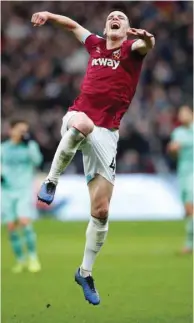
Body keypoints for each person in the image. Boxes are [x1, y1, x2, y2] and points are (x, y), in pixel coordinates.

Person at [31, 10, 155, 305]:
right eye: (111, 16)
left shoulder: (132, 50)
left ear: (126, 29)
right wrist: (48, 14)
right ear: (105, 27)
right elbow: (72, 25)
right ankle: (51, 181)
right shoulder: (95, 44)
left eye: (121, 18)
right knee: (82, 124)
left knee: (101, 211)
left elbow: (145, 47)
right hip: (79, 117)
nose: (115, 18)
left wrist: (148, 40)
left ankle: (85, 272)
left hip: (108, 134)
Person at [1, 120, 43, 273]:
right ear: (11, 130)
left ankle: (33, 257)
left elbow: (37, 160)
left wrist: (30, 144)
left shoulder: (30, 147)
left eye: (25, 131)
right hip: (6, 191)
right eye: (20, 130)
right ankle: (20, 260)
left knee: (25, 222)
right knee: (11, 226)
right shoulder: (4, 149)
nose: (22, 133)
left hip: (24, 189)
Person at [168, 106, 193, 254]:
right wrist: (173, 151)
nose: (182, 115)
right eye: (180, 113)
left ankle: (189, 244)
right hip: (183, 173)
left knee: (191, 207)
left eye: (185, 113)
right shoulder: (177, 132)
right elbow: (174, 157)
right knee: (187, 210)